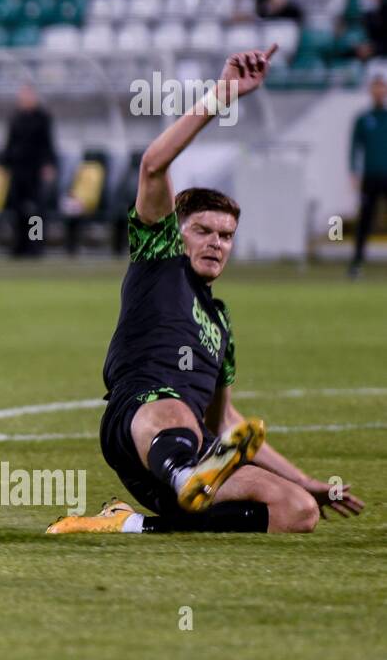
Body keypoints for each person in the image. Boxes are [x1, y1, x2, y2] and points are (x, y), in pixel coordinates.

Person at [48, 46, 365, 535]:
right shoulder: (160, 257)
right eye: (204, 230)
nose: (216, 242)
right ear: (179, 230)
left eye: (226, 235)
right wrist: (225, 94)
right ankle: (184, 476)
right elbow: (154, 164)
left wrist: (308, 481)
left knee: (296, 512)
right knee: (175, 406)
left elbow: (227, 423)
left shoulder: (220, 324)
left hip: (196, 454)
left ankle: (131, 524)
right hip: (140, 424)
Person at [3, 85, 56, 257]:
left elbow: (48, 144)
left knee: (37, 211)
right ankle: (19, 245)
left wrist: (48, 165)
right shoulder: (15, 118)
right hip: (18, 170)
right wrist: (6, 166)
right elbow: (9, 144)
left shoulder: (42, 118)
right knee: (17, 210)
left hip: (36, 170)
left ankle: (36, 245)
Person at [349, 73, 387, 277]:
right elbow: (354, 148)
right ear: (371, 91)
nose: (379, 91)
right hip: (370, 177)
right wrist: (353, 172)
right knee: (365, 221)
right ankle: (356, 264)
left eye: (382, 87)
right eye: (376, 87)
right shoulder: (363, 119)